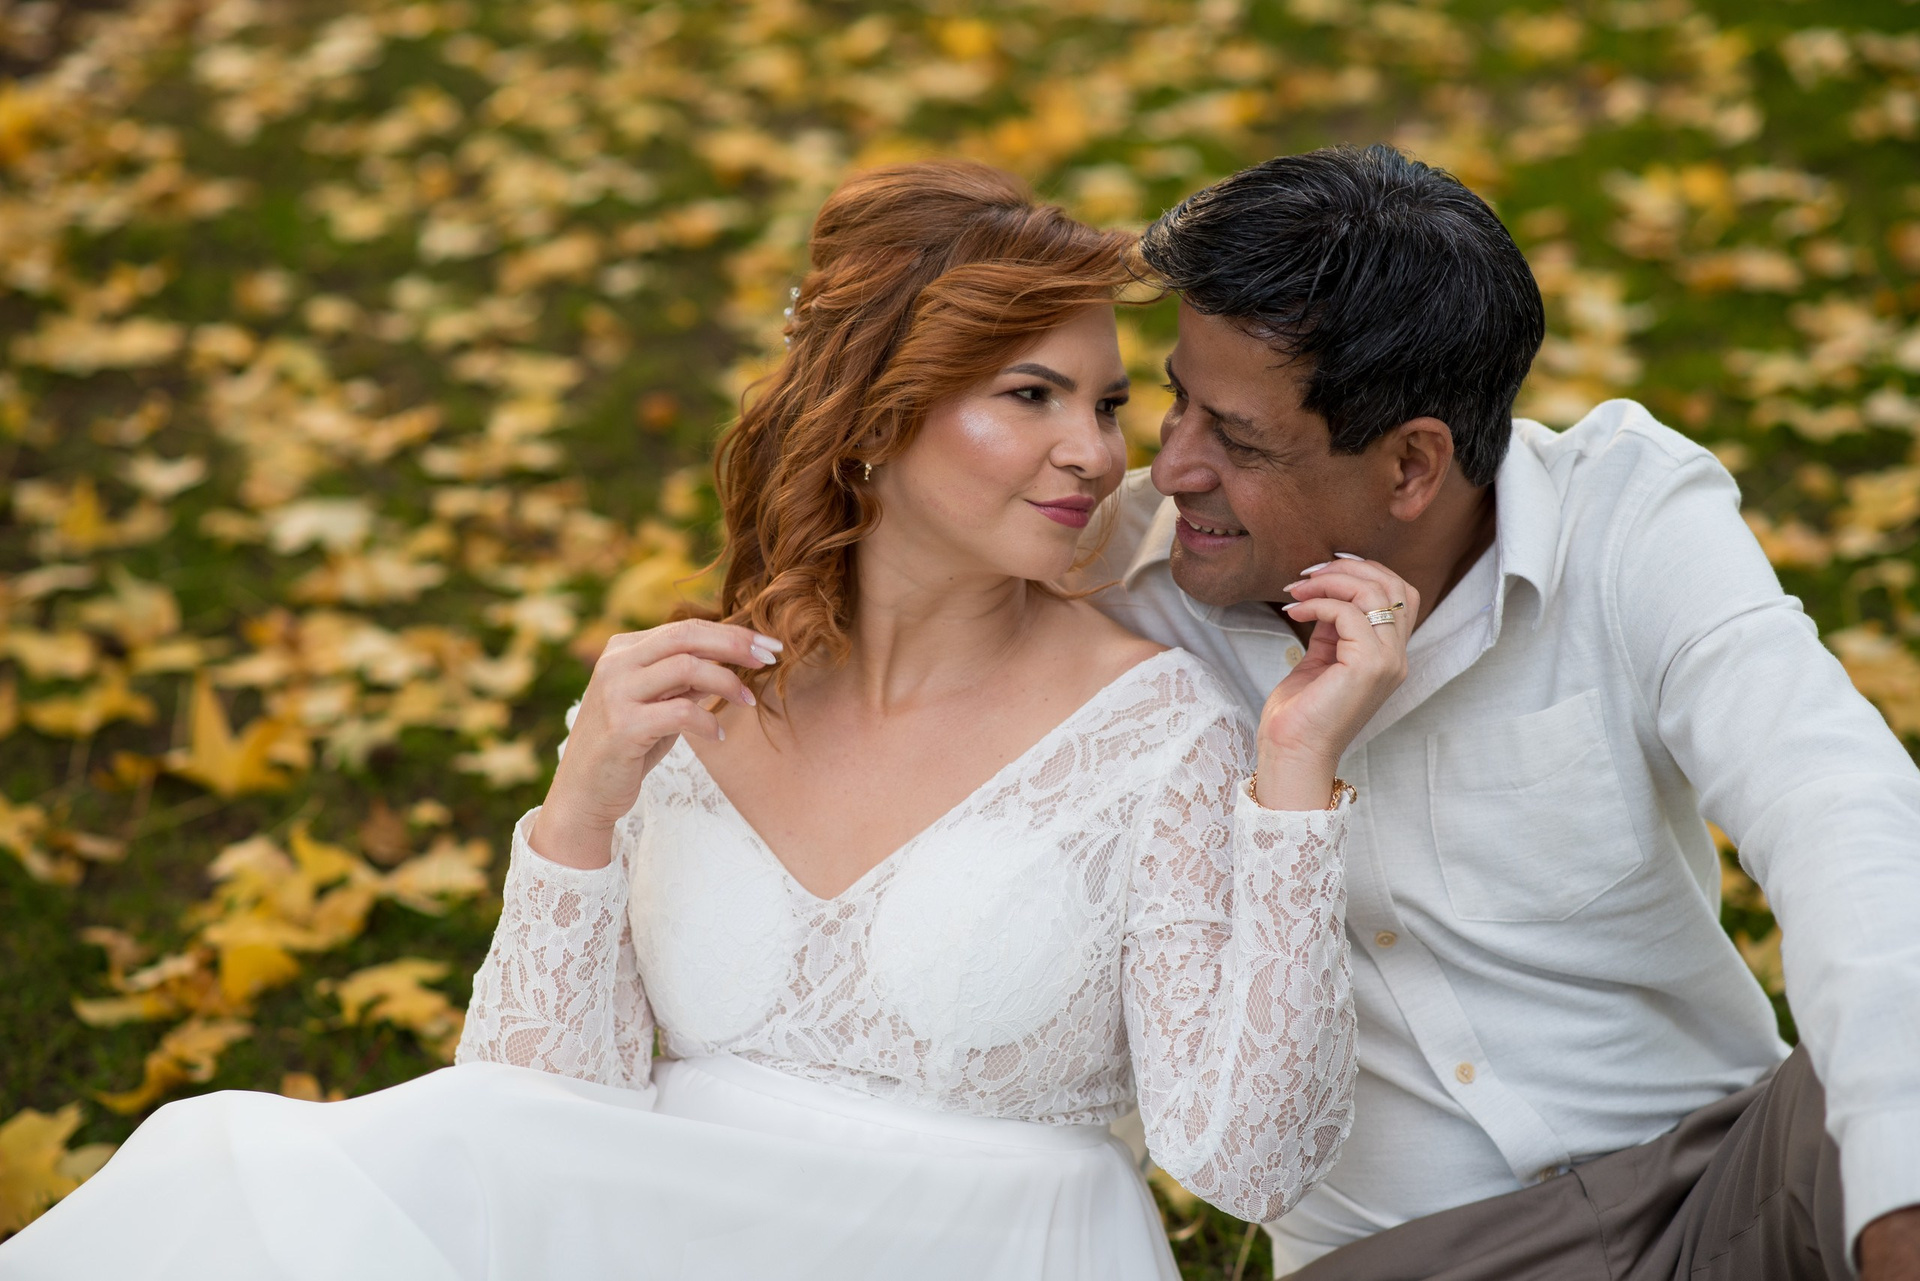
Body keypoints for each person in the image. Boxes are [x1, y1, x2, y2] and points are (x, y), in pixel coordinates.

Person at [1, 160, 1417, 1281]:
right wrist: (581, 808)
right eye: (1030, 396)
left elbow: (1248, 1166)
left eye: (1105, 404)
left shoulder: (1157, 730)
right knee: (230, 1172)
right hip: (660, 1236)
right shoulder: (694, 691)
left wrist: (1294, 783)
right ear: (876, 417)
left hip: (989, 1249)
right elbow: (526, 1117)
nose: (1094, 453)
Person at [1079, 142, 1920, 1280]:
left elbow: (1839, 809)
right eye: (1177, 400)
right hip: (1405, 1258)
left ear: (1412, 466)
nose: (1174, 466)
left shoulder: (1623, 517)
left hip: (1722, 1180)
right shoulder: (1107, 588)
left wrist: (1897, 1198)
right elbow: (887, 601)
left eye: (1237, 438)